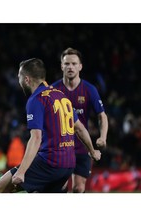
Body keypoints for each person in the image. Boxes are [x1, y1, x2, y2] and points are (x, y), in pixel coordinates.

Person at [0, 58, 101, 193]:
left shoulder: (36, 99)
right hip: (68, 165)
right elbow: (79, 128)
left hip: (50, 163)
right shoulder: (61, 96)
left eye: (19, 78)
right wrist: (92, 151)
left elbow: (36, 138)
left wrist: (22, 171)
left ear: (26, 79)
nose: (19, 82)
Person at [52, 47, 108, 193]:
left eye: (74, 63)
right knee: (60, 188)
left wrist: (103, 137)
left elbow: (102, 116)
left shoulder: (89, 90)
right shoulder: (53, 91)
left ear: (80, 66)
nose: (70, 67)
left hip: (82, 147)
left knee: (79, 188)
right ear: (61, 66)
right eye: (67, 64)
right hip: (60, 148)